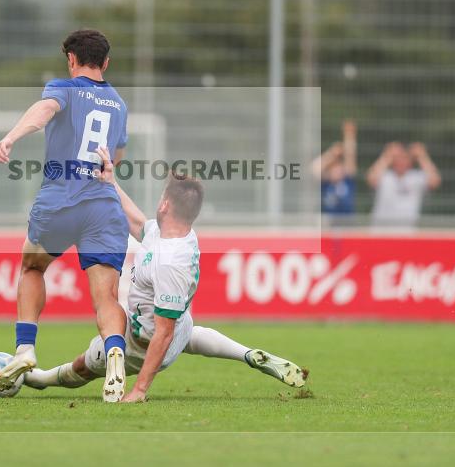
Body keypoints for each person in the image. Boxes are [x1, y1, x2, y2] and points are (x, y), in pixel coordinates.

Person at [22, 145, 308, 402]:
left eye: (161, 196)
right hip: (181, 324)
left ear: (165, 205)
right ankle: (246, 354)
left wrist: (139, 390)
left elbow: (163, 334)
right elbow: (136, 222)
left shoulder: (170, 261)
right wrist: (111, 182)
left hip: (143, 344)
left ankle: (39, 379)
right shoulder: (176, 232)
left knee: (84, 366)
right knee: (188, 332)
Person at [0, 29, 130, 402]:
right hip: (103, 205)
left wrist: (12, 137)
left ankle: (25, 350)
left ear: (71, 60)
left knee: (32, 267)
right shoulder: (118, 104)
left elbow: (43, 111)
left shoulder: (62, 89)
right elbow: (114, 161)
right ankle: (115, 352)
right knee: (106, 296)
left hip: (60, 201)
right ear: (106, 62)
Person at [367, 142, 441, 227]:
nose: (401, 161)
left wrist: (422, 157)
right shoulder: (385, 176)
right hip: (381, 230)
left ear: (410, 162)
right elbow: (371, 179)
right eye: (398, 158)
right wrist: (387, 156)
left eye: (405, 158)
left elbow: (435, 181)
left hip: (407, 231)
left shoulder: (416, 177)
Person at [312, 120, 357, 216]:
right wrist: (332, 153)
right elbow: (315, 168)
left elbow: (350, 157)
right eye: (334, 169)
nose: (337, 172)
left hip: (347, 225)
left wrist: (349, 135)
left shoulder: (347, 181)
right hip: (329, 226)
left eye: (339, 168)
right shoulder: (326, 184)